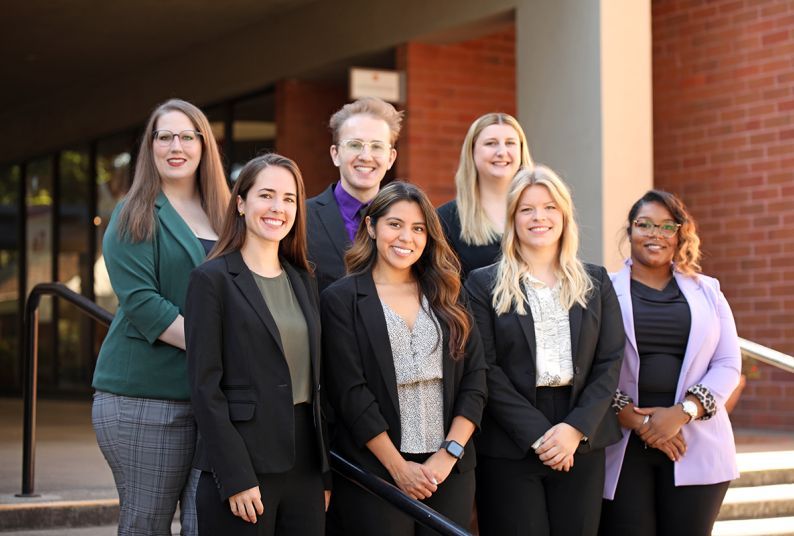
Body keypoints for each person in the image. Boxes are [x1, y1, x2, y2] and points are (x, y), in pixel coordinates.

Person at [91, 98, 230, 535]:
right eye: (165, 136)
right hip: (144, 400)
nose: (177, 146)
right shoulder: (132, 215)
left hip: (210, 401)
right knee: (147, 524)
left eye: (188, 136)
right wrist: (225, 348)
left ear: (204, 146)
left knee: (204, 522)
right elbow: (145, 305)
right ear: (149, 147)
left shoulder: (227, 213)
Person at [465, 166, 624, 536]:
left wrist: (574, 429)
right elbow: (484, 366)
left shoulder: (596, 281)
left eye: (550, 207)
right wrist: (539, 434)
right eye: (527, 209)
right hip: (510, 439)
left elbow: (610, 361)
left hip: (581, 436)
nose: (539, 217)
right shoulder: (483, 284)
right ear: (512, 218)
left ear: (564, 215)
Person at [321, 181, 487, 535]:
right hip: (377, 471)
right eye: (394, 224)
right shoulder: (341, 299)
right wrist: (399, 468)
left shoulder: (450, 292)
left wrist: (448, 454)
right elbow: (351, 393)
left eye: (417, 228)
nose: (406, 237)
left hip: (449, 471)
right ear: (371, 226)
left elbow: (475, 380)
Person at [185, 154, 330, 535]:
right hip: (245, 462)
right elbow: (204, 388)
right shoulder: (211, 279)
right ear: (241, 202)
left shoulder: (304, 279)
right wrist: (234, 475)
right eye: (266, 195)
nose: (277, 208)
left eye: (288, 198)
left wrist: (324, 474)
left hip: (307, 465)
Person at [599, 190, 741, 536]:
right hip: (624, 441)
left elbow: (727, 363)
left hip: (696, 440)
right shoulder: (603, 289)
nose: (655, 234)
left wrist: (682, 413)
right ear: (629, 231)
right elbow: (592, 361)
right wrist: (633, 416)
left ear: (679, 234)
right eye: (644, 224)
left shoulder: (708, 291)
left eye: (666, 226)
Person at [307, 97, 404, 293]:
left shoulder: (407, 221)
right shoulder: (301, 218)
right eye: (354, 145)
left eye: (377, 146)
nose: (366, 156)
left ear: (391, 158)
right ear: (335, 154)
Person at [437, 112, 533, 277]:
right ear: (472, 152)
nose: (502, 152)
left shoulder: (543, 212)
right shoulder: (445, 220)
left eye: (510, 143)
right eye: (491, 143)